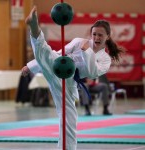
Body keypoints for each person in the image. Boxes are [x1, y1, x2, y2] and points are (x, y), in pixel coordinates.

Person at [22, 6, 125, 150]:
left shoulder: (105, 59)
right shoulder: (78, 41)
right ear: (91, 33)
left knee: (69, 119)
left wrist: (86, 52)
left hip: (69, 81)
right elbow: (58, 54)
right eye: (94, 34)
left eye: (100, 35)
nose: (96, 38)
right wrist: (32, 66)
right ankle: (34, 26)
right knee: (46, 52)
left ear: (108, 36)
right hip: (58, 67)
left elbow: (92, 72)